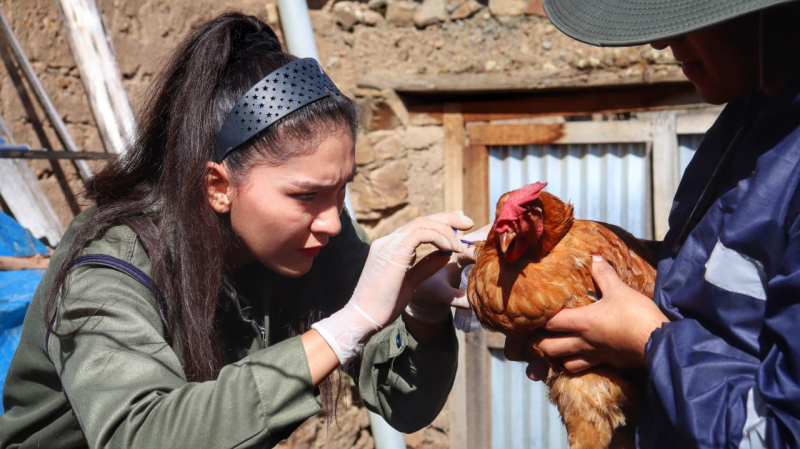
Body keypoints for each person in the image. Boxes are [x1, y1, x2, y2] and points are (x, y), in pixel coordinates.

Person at [0, 12, 478, 448]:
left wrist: (423, 310)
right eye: (306, 195)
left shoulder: (316, 239)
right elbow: (145, 434)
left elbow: (405, 407)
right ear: (219, 186)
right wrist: (347, 326)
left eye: (341, 190)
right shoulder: (112, 267)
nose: (333, 220)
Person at [504, 0, 800, 447]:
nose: (661, 41)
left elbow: (781, 432)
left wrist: (646, 340)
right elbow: (723, 283)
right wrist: (576, 281)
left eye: (692, 19)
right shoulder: (750, 115)